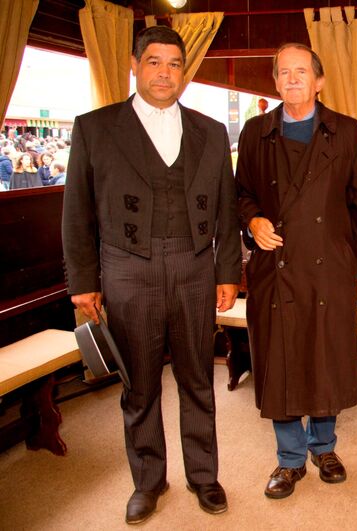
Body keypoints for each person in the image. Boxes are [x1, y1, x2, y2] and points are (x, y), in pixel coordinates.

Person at [62, 26, 241, 525]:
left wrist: (227, 271)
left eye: (174, 63)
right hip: (125, 268)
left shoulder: (210, 130)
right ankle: (148, 481)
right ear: (135, 66)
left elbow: (227, 210)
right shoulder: (94, 128)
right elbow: (76, 214)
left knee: (198, 380)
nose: (165, 72)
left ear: (185, 71)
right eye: (155, 62)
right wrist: (83, 282)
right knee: (138, 385)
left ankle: (204, 477)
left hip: (193, 265)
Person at [236, 43, 357, 500]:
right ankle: (289, 459)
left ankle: (325, 447)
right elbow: (240, 195)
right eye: (283, 72)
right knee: (282, 360)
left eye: (301, 71)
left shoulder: (347, 131)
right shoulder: (255, 132)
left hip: (329, 266)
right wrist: (252, 220)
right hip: (276, 268)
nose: (292, 79)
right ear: (274, 81)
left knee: (326, 356)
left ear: (319, 80)